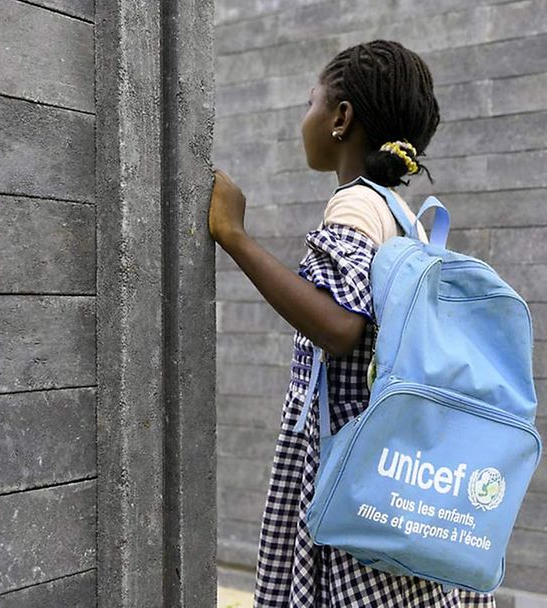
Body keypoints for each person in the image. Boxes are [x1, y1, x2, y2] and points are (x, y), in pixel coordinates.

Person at [208, 40, 497, 607]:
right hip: (395, 460)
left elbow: (341, 327)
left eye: (310, 101)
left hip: (349, 457)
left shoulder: (354, 206)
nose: (304, 117)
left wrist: (234, 236)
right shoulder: (403, 214)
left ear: (340, 118)